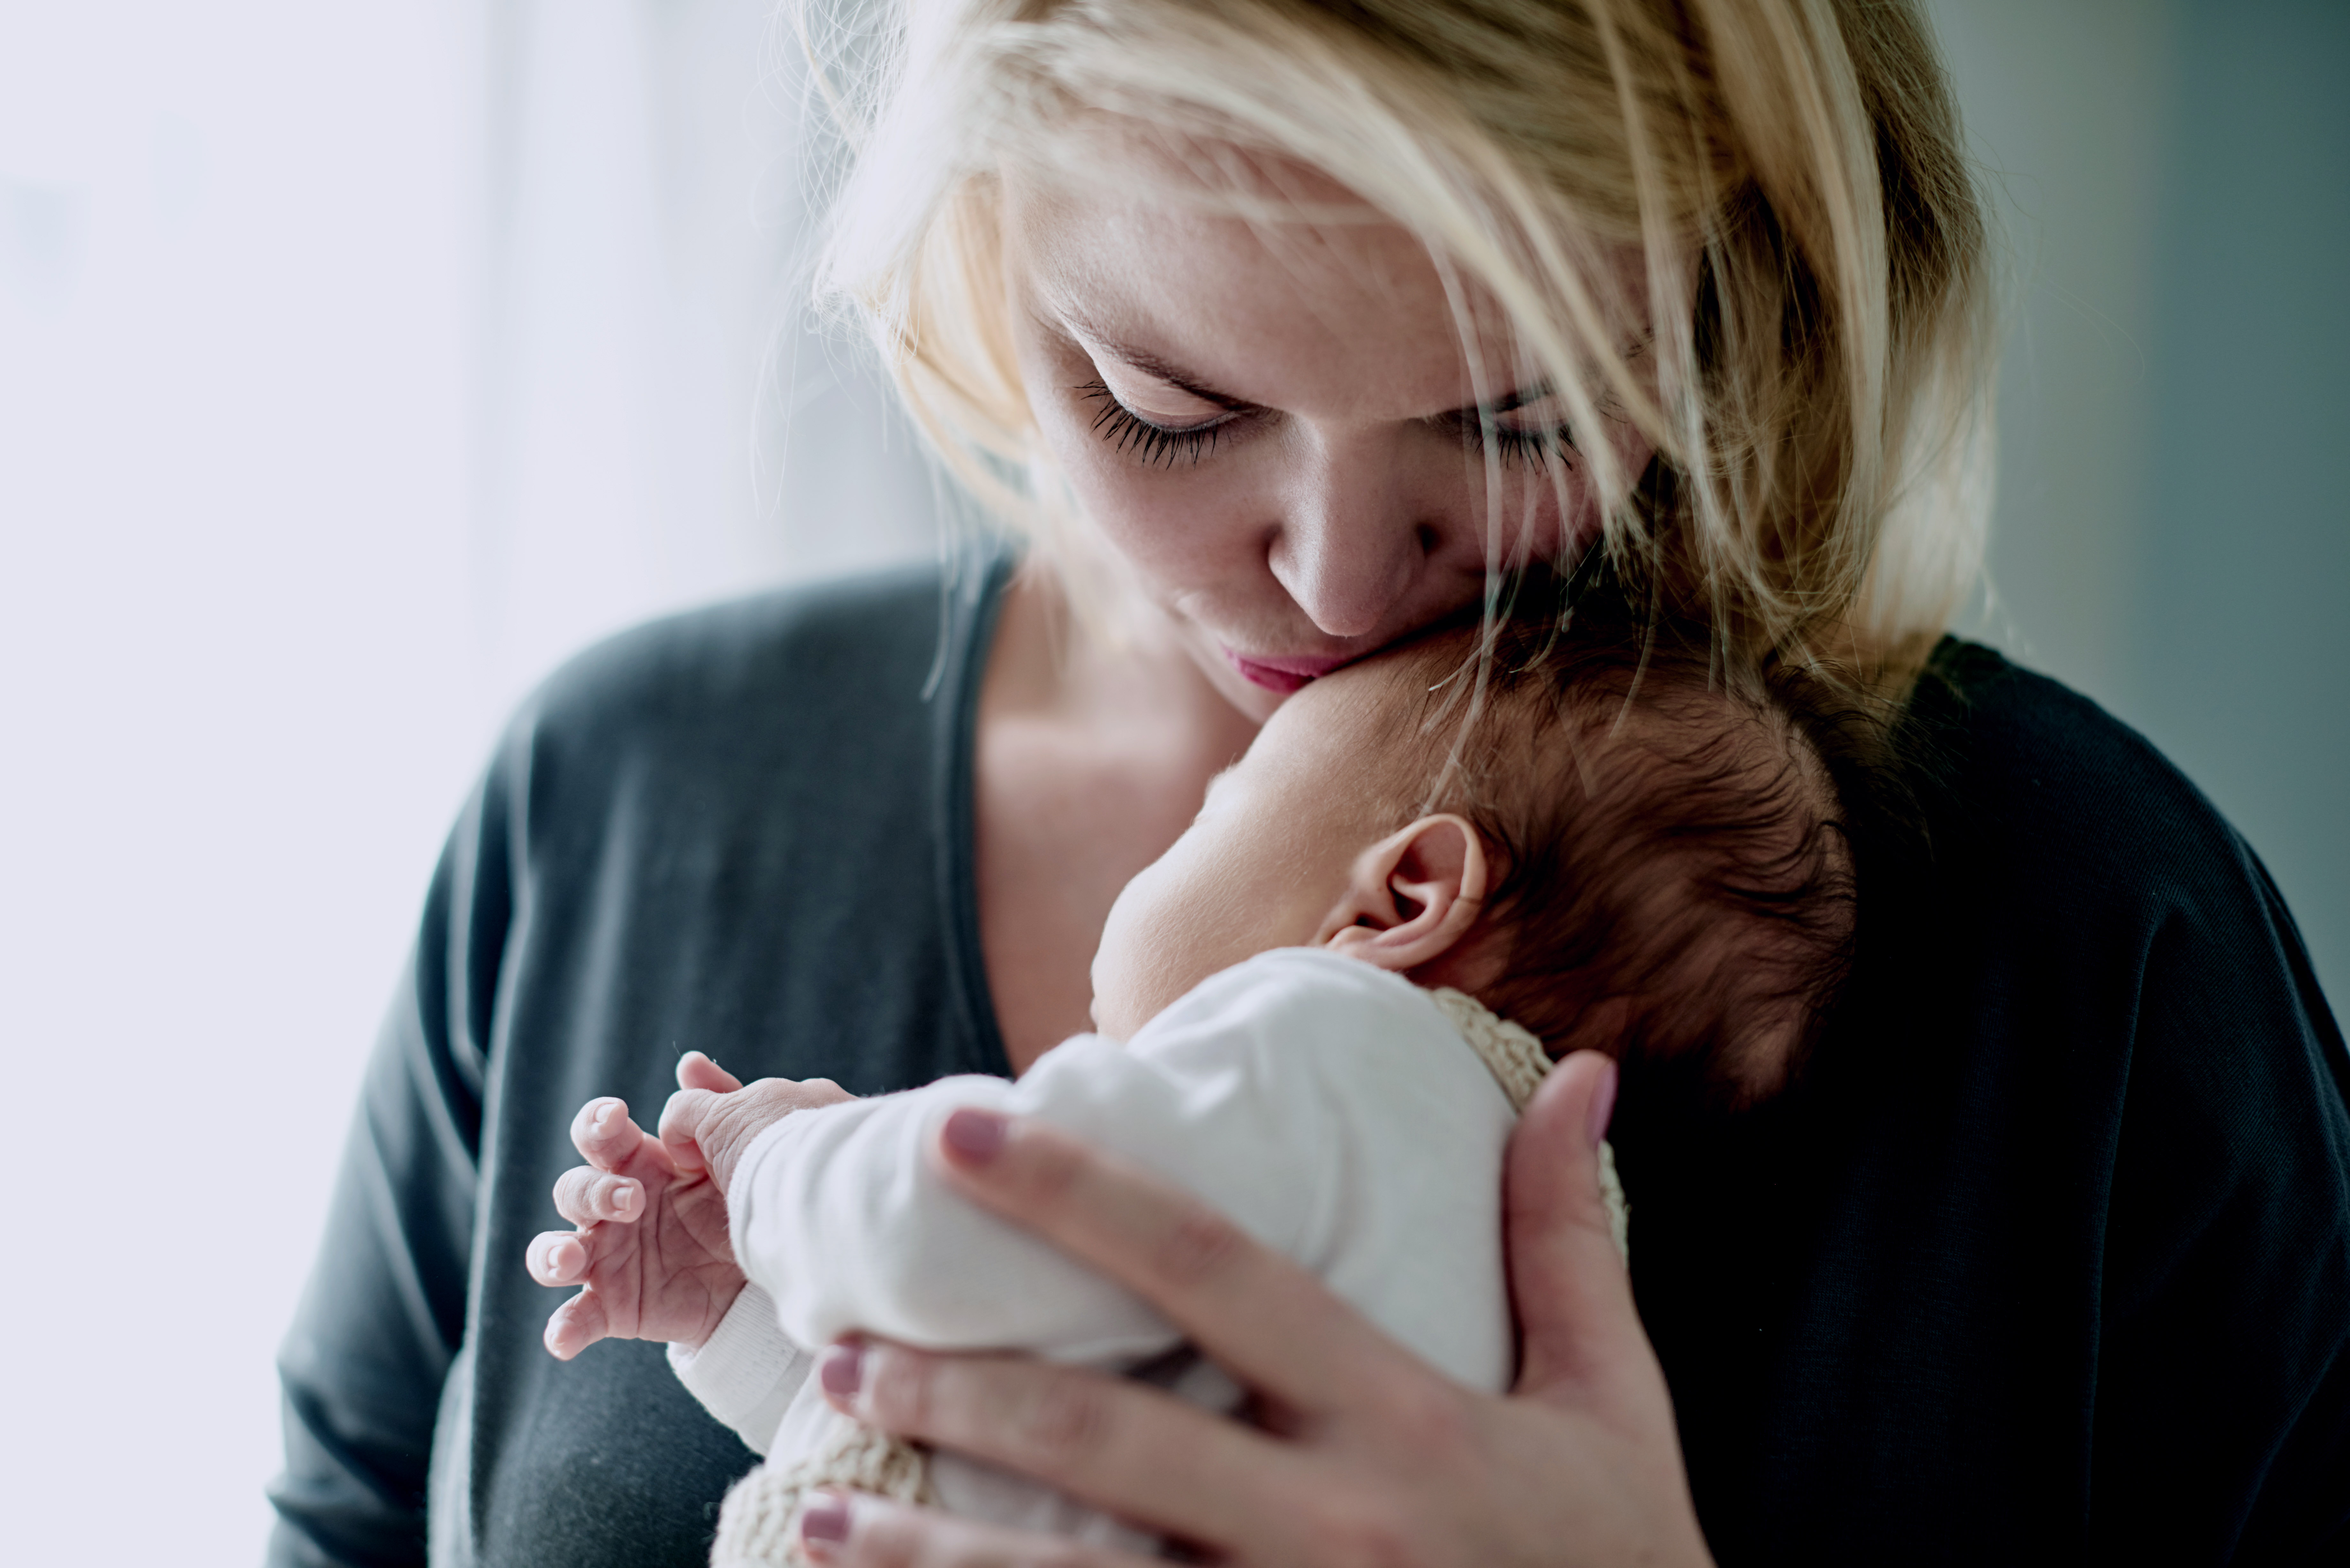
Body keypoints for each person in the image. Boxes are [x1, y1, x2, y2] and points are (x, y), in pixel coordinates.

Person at [266, 1, 2350, 1564]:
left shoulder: (2091, 941)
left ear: (1736, 298)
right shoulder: (618, 792)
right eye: (1168, 407)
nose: (1337, 582)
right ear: (985, 262)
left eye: (1515, 419)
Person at [517, 607, 1853, 1563]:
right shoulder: (1507, 1245)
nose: (1176, 837)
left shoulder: (1342, 1038)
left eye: (1226, 806)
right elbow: (959, 1429)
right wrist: (741, 1325)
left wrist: (774, 1162)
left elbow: (949, 1227)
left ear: (1400, 898)